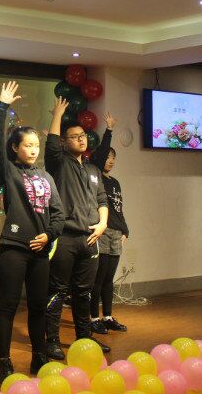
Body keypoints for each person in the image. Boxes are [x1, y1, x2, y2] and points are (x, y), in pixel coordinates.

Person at [0, 81, 64, 383]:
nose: (33, 149)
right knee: (8, 307)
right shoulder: (8, 171)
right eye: (27, 145)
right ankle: (5, 361)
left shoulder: (46, 176)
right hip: (14, 249)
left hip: (40, 252)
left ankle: (39, 356)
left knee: (37, 308)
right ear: (15, 148)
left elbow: (58, 214)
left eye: (36, 145)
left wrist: (49, 235)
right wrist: (2, 107)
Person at [44, 99, 111, 358]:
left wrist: (103, 223)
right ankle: (52, 341)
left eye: (82, 135)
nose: (81, 139)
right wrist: (58, 115)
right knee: (58, 291)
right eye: (74, 137)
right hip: (64, 238)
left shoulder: (93, 168)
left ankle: (85, 339)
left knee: (84, 293)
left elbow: (102, 200)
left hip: (91, 239)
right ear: (64, 142)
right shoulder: (59, 163)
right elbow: (51, 144)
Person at [90, 124, 129, 335]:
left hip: (116, 233)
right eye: (107, 157)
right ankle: (93, 318)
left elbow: (119, 209)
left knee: (108, 279)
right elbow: (99, 154)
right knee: (98, 277)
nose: (111, 161)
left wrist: (125, 231)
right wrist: (109, 131)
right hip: (102, 233)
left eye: (114, 158)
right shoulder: (96, 178)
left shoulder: (115, 182)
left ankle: (107, 317)